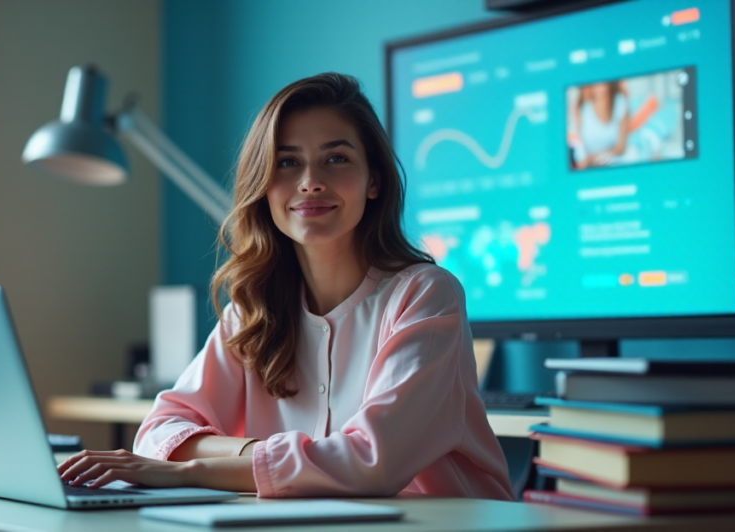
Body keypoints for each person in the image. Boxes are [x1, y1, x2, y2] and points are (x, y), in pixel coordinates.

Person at [57, 73, 513, 500]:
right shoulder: (253, 310)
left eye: (337, 158)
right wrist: (261, 456)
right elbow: (158, 433)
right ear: (264, 184)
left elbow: (371, 461)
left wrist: (193, 467)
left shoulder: (425, 296)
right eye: (287, 162)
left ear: (374, 180)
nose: (311, 182)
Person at [572, 81, 630, 169]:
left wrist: (595, 159)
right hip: (588, 168)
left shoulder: (620, 102)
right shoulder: (581, 108)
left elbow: (620, 149)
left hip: (615, 165)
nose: (600, 87)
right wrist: (589, 161)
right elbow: (579, 151)